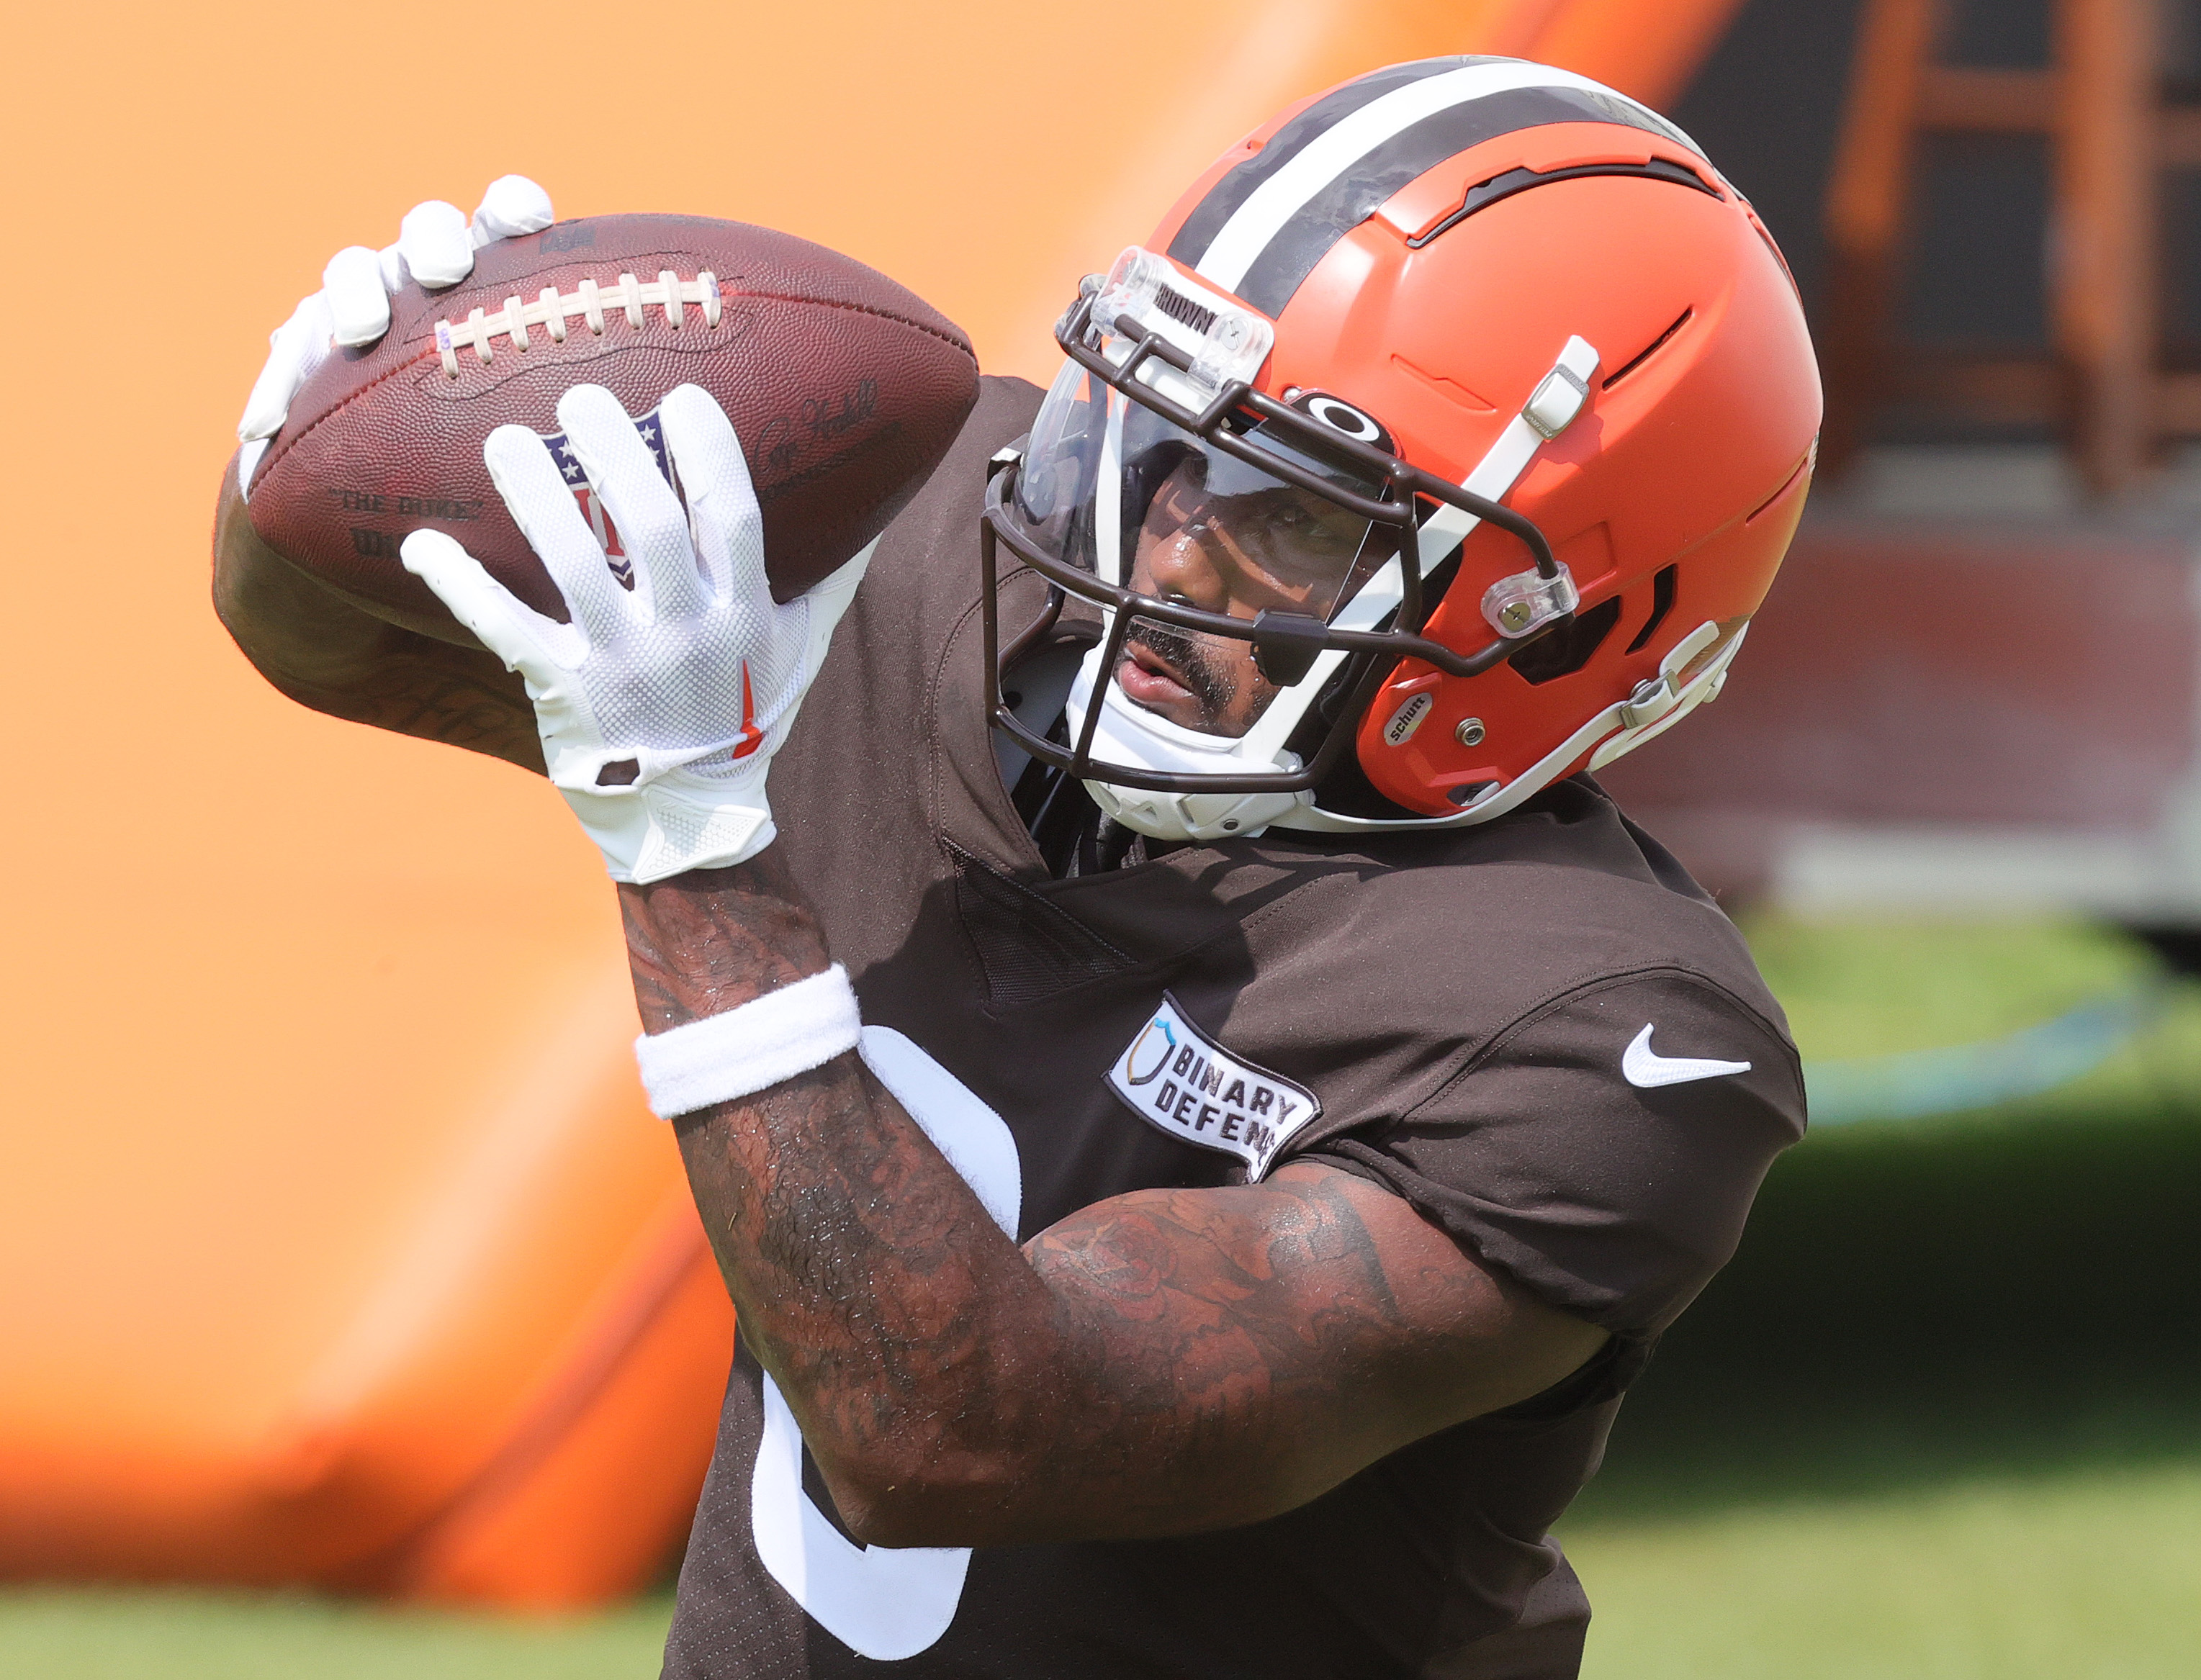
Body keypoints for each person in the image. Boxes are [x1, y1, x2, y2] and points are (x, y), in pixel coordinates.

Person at [217, 56, 1819, 1680]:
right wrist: (315, 450)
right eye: (1172, 437)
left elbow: (952, 1435)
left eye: (1297, 514)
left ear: (1565, 621)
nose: (1164, 542)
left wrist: (690, 841)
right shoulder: (935, 555)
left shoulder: (1595, 1036)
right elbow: (350, 643)